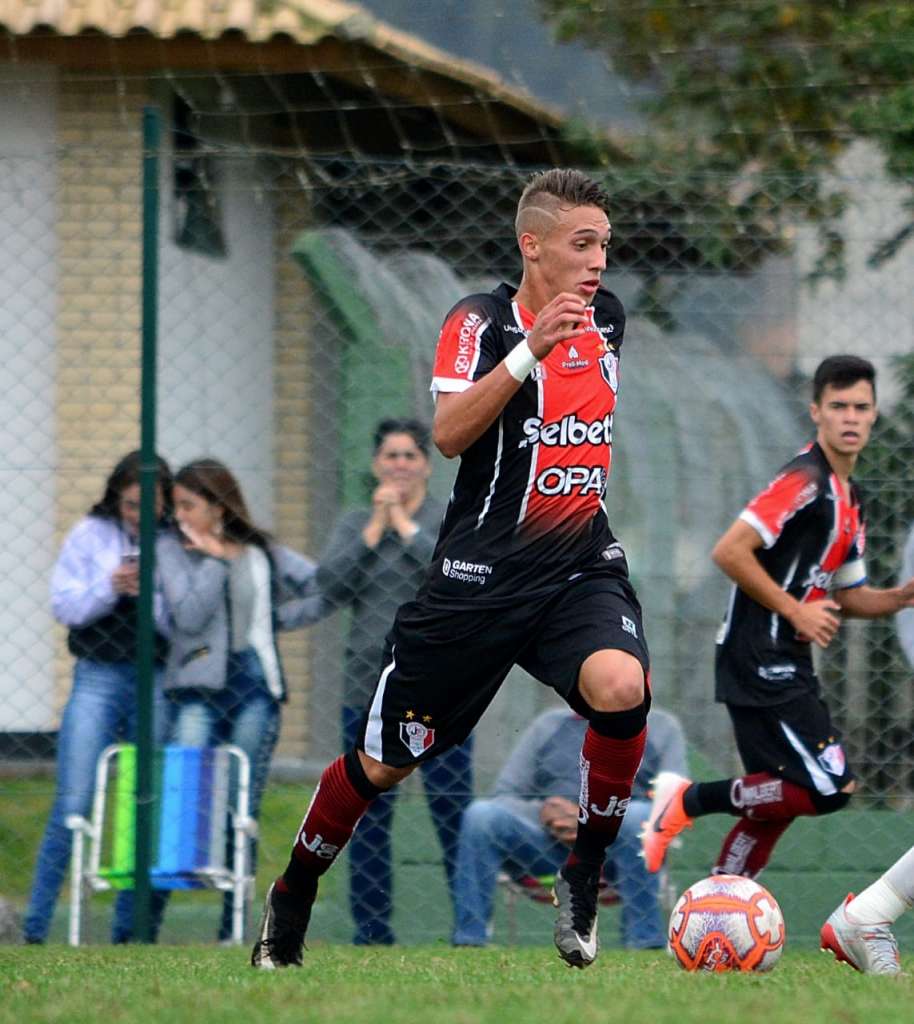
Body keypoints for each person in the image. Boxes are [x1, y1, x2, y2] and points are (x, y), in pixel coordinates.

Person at [251, 167, 652, 972]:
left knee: (621, 687)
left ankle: (583, 872)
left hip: (577, 564)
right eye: (583, 244)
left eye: (605, 244)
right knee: (384, 764)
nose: (599, 260)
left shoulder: (606, 317)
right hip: (477, 582)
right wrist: (528, 354)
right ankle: (293, 891)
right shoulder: (478, 322)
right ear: (531, 245)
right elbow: (448, 434)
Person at [642, 356, 914, 886]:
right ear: (817, 412)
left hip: (782, 658)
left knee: (778, 797)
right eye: (838, 407)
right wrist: (795, 610)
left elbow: (850, 596)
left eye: (860, 407)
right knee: (829, 787)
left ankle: (723, 903)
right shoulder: (804, 480)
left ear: (875, 414)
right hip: (758, 654)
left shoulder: (847, 498)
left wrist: (902, 597)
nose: (850, 418)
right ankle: (687, 798)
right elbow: (729, 551)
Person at [315, 417, 472, 946]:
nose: (400, 465)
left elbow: (450, 572)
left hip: (441, 690)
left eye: (410, 456)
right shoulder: (358, 521)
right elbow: (330, 583)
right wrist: (374, 530)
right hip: (367, 692)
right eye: (391, 456)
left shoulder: (448, 517)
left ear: (427, 464)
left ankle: (468, 931)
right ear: (376, 464)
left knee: (452, 813)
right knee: (366, 819)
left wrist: (404, 526)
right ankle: (372, 933)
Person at [155, 458, 323, 942]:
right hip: (198, 688)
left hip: (255, 687)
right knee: (186, 793)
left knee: (241, 804)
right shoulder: (172, 548)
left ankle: (231, 924)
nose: (181, 516)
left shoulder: (258, 549)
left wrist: (274, 621)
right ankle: (154, 916)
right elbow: (188, 617)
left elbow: (320, 586)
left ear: (218, 504)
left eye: (190, 505)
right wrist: (210, 558)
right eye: (177, 507)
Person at [23, 451, 174, 944]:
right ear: (117, 498)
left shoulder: (175, 540)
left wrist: (150, 588)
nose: (137, 516)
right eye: (130, 505)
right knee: (75, 798)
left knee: (142, 799)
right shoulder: (90, 535)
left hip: (156, 675)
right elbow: (65, 604)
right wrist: (111, 585)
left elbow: (182, 618)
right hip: (98, 674)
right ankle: (36, 926)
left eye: (147, 506)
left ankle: (127, 931)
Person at [452, 705, 686, 949]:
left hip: (617, 851)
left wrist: (597, 816)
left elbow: (674, 800)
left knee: (639, 815)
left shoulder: (661, 726)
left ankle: (644, 942)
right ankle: (470, 940)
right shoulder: (549, 724)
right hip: (549, 849)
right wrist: (547, 812)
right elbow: (505, 795)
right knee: (480, 815)